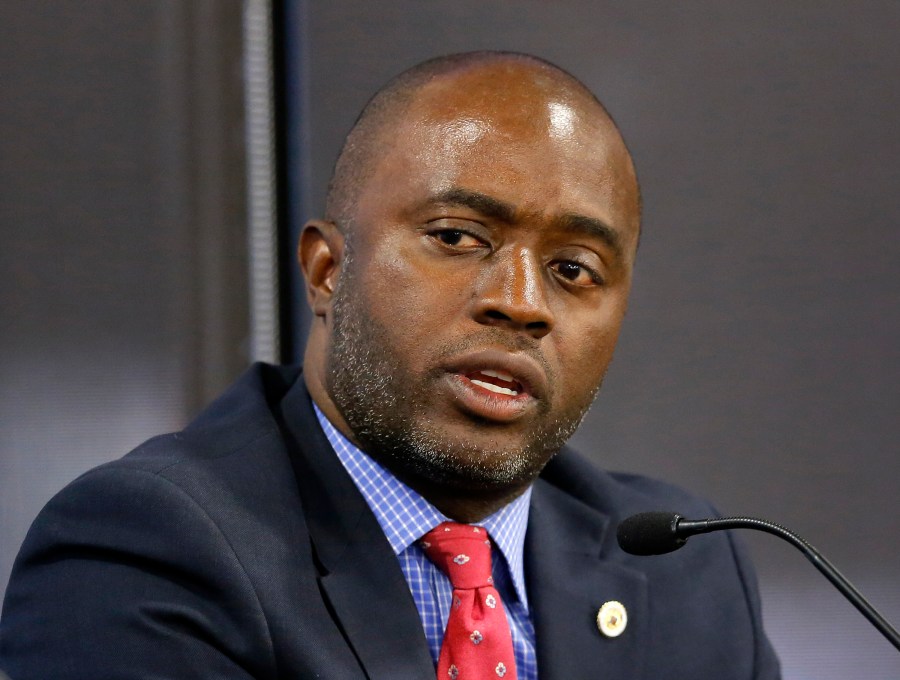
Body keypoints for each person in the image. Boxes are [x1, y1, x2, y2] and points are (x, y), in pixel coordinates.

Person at [0, 51, 781, 679]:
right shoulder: (153, 548)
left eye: (573, 269)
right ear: (327, 271)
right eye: (457, 236)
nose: (521, 302)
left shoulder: (686, 574)